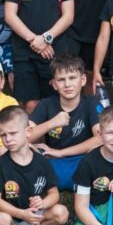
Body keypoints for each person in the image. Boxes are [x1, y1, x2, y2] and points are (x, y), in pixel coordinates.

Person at [0, 105, 69, 225]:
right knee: (1, 221)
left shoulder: (42, 162)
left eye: (13, 133)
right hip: (10, 217)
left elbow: (54, 194)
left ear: (28, 132)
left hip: (33, 216)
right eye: (3, 135)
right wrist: (20, 214)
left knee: (62, 213)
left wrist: (43, 203)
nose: (8, 139)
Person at [28, 54, 102, 190]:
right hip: (53, 161)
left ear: (83, 80)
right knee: (26, 148)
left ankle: (87, 186)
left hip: (82, 160)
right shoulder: (46, 104)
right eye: (61, 80)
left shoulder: (92, 103)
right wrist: (51, 123)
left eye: (72, 78)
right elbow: (24, 136)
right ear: (54, 84)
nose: (67, 84)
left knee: (99, 149)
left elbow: (101, 139)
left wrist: (61, 152)